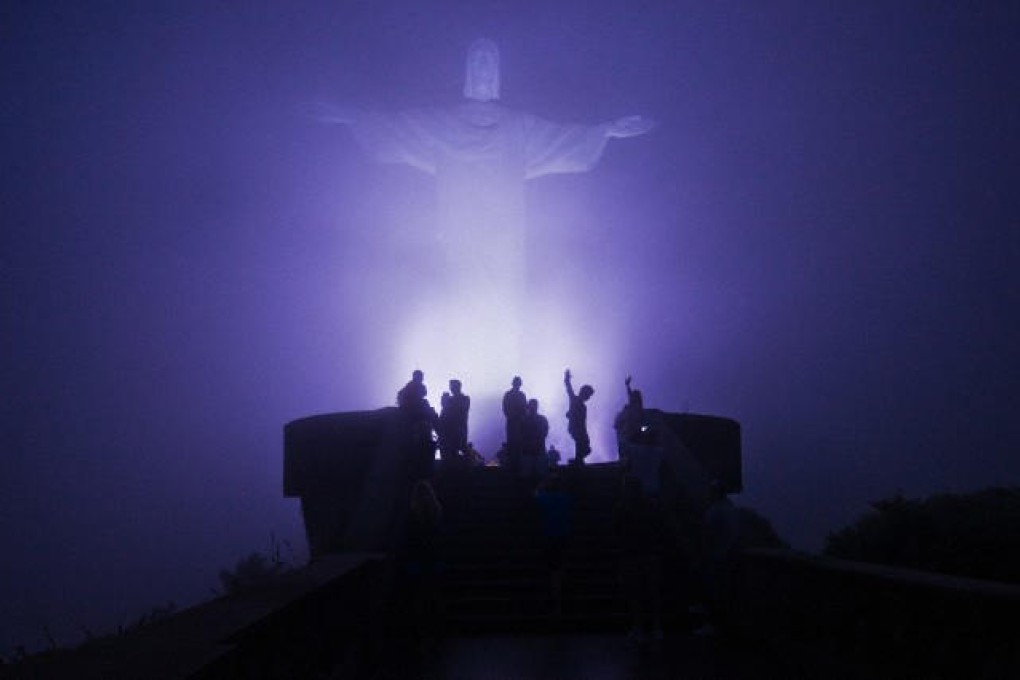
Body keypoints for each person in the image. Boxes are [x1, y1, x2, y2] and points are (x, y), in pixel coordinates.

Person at [311, 39, 655, 383]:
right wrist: (352, 118)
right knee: (460, 297)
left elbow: (563, 140)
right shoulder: (441, 124)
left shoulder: (519, 128)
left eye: (490, 63)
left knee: (504, 303)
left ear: (499, 75)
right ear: (466, 72)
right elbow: (395, 130)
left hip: (505, 238)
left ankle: (503, 383)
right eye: (477, 62)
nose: (483, 70)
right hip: (460, 234)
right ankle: (463, 382)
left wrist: (605, 131)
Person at [613, 474, 664, 645]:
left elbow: (618, 533)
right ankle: (656, 627)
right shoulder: (650, 505)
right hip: (649, 553)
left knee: (635, 593)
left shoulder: (621, 507)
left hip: (630, 554)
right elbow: (657, 527)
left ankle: (639, 627)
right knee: (652, 592)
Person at [534, 473, 573, 616]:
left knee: (551, 569)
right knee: (560, 567)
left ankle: (554, 600)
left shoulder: (544, 498)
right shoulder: (566, 498)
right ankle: (560, 599)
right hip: (564, 536)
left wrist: (540, 486)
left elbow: (534, 496)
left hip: (548, 536)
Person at [564, 369, 594, 464]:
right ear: (583, 393)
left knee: (584, 444)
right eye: (588, 395)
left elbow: (582, 420)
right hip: (575, 427)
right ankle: (578, 459)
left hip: (580, 428)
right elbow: (569, 389)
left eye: (589, 396)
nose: (588, 398)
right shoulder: (574, 399)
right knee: (580, 442)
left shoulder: (583, 406)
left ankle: (578, 459)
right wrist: (567, 378)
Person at [437, 379, 470, 463]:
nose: (451, 389)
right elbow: (445, 412)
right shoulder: (461, 399)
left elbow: (457, 411)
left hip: (458, 430)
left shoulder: (464, 399)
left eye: (452, 387)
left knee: (458, 450)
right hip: (452, 431)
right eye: (451, 387)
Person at [613, 375, 644, 463]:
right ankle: (625, 458)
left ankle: (628, 458)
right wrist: (627, 385)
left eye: (635, 396)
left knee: (629, 443)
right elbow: (630, 395)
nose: (633, 397)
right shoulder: (632, 406)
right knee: (625, 443)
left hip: (633, 428)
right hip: (628, 427)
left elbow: (639, 419)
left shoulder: (638, 407)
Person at [520, 398, 550, 484]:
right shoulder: (542, 419)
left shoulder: (524, 420)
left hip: (531, 450)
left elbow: (520, 434)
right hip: (535, 449)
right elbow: (545, 432)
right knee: (538, 475)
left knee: (528, 475)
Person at [502, 376, 527, 472]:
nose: (518, 385)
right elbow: (506, 409)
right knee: (513, 443)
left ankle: (516, 465)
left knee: (518, 443)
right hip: (513, 422)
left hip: (518, 423)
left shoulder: (518, 395)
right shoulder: (510, 395)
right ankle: (513, 465)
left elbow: (524, 409)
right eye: (517, 383)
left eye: (518, 383)